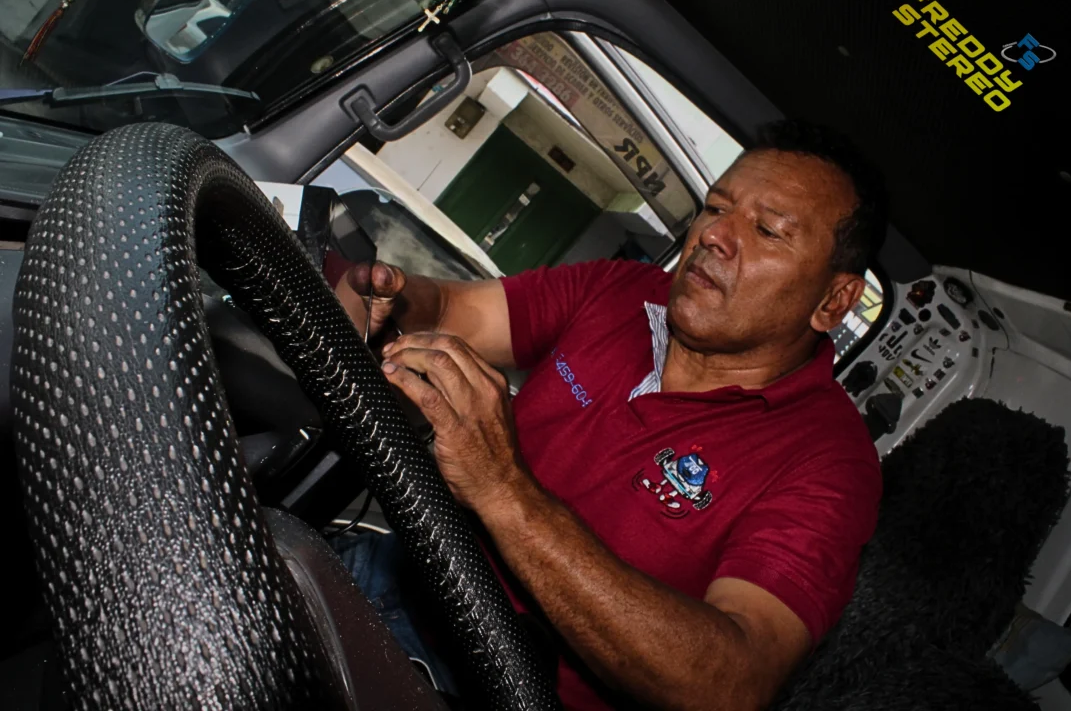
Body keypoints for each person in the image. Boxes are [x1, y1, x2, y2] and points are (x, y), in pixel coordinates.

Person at [333, 120, 888, 711]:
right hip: (391, 569)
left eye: (767, 230)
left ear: (834, 302)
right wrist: (391, 298)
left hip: (493, 688)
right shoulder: (621, 290)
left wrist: (501, 490)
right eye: (715, 207)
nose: (715, 235)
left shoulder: (830, 464)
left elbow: (731, 682)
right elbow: (449, 309)